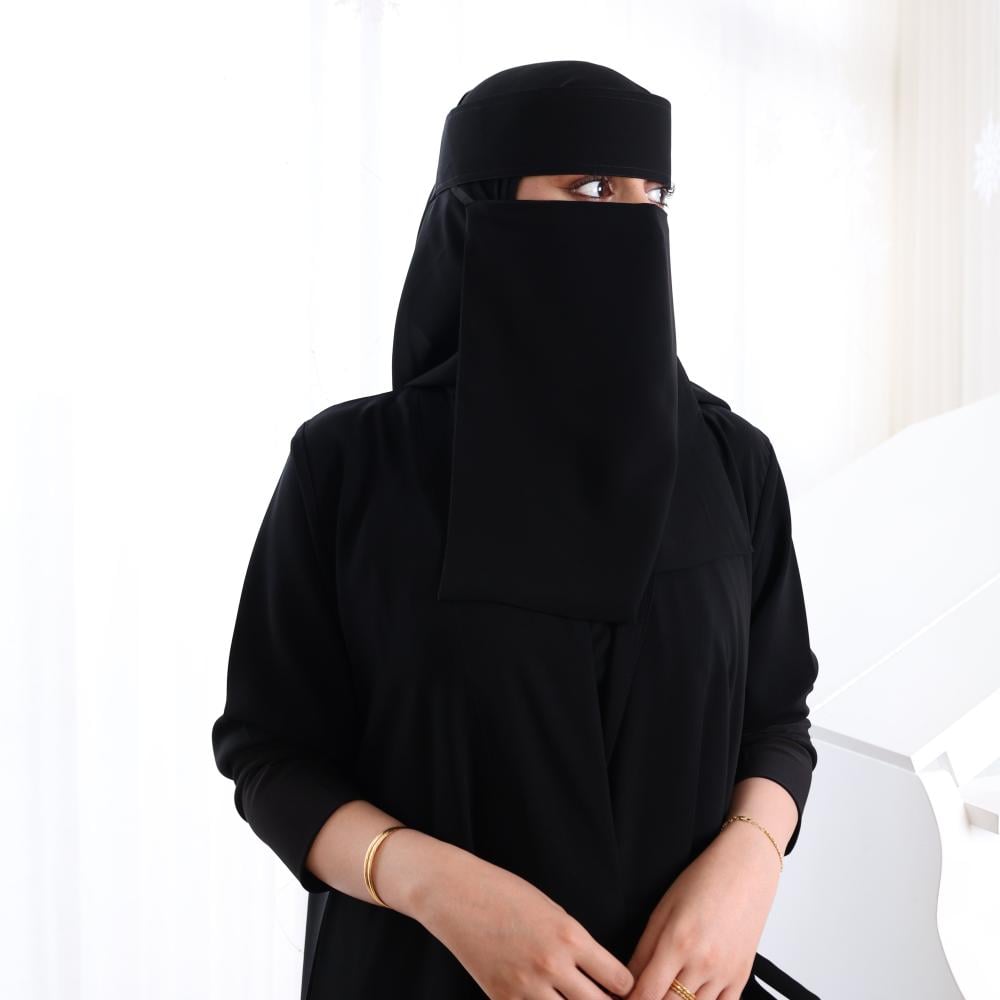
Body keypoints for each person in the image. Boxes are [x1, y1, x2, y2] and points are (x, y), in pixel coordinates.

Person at [211, 60, 821, 1000]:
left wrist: (751, 859)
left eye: (652, 195)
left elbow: (775, 718)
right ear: (482, 207)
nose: (632, 221)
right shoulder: (349, 467)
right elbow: (269, 751)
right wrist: (435, 886)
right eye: (591, 188)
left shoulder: (733, 463)